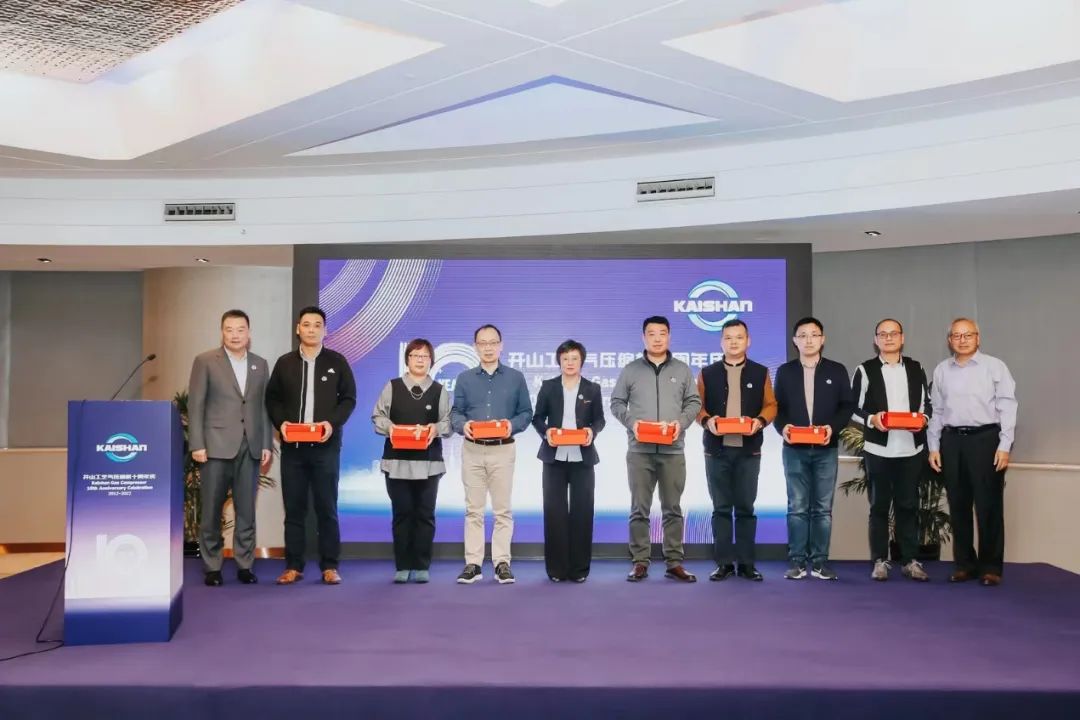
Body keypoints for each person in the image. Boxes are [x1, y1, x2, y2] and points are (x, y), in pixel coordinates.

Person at [265, 306, 357, 586]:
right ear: (298, 329)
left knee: (326, 508)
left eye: (318, 325)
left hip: (325, 447)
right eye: (306, 324)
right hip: (293, 448)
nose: (312, 329)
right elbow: (272, 399)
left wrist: (332, 423)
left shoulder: (337, 361)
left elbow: (349, 399)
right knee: (294, 509)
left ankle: (330, 566)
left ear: (325, 330)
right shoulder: (285, 363)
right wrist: (281, 423)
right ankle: (293, 566)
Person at [611, 316, 702, 583]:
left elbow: (694, 403)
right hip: (640, 450)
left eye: (662, 333)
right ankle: (640, 561)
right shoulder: (631, 370)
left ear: (669, 336)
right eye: (651, 334)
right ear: (644, 338)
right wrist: (633, 424)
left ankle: (674, 562)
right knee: (639, 508)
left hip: (673, 449)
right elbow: (617, 403)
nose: (657, 338)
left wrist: (680, 424)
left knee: (672, 508)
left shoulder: (682, 370)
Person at [927, 318, 1017, 587]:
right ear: (949, 340)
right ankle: (965, 564)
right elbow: (937, 411)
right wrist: (934, 446)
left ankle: (991, 567)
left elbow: (1008, 407)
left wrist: (1005, 445)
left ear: (978, 338)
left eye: (968, 335)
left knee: (989, 506)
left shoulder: (995, 367)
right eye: (956, 335)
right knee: (958, 505)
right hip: (952, 441)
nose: (962, 340)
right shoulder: (942, 370)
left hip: (985, 440)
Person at [186, 309, 273, 587]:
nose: (235, 335)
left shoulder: (260, 364)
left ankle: (245, 565)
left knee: (246, 511)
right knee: (212, 511)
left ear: (249, 333)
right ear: (222, 332)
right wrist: (197, 443)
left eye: (240, 329)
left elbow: (264, 408)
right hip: (214, 448)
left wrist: (266, 443)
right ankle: (212, 567)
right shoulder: (205, 361)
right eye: (229, 329)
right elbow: (196, 404)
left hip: (250, 447)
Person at [450, 324, 533, 585]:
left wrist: (511, 425)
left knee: (502, 510)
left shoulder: (515, 377)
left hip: (503, 448)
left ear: (501, 345)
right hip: (472, 449)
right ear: (475, 347)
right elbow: (455, 413)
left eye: (493, 342)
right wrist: (462, 426)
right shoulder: (464, 378)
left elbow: (526, 413)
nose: (488, 347)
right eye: (482, 343)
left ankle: (502, 563)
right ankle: (473, 564)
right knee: (473, 510)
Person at [774, 316, 854, 581]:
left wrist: (833, 427)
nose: (809, 340)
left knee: (822, 508)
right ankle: (797, 561)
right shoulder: (785, 371)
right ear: (795, 341)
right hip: (794, 449)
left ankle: (820, 562)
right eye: (803, 335)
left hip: (825, 448)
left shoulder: (837, 370)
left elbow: (847, 405)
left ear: (823, 339)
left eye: (814, 334)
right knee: (797, 506)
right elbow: (776, 408)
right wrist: (783, 427)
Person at [696, 319, 776, 582]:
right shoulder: (707, 373)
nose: (734, 342)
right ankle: (723, 564)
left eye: (739, 337)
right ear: (721, 342)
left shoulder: (760, 372)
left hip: (748, 451)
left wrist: (760, 421)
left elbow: (771, 405)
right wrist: (707, 420)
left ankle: (747, 564)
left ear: (748, 341)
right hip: (716, 451)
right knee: (720, 509)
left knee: (745, 508)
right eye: (728, 337)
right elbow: (696, 406)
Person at [851, 319, 931, 582]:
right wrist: (872, 419)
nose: (888, 338)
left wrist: (924, 419)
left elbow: (926, 404)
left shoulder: (916, 368)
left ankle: (910, 560)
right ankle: (879, 561)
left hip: (911, 450)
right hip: (878, 450)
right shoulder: (865, 370)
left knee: (909, 506)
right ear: (876, 340)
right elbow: (853, 407)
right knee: (879, 507)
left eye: (893, 333)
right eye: (883, 334)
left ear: (902, 338)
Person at [371, 338, 451, 584]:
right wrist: (392, 428)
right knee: (402, 513)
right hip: (397, 462)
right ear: (407, 359)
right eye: (415, 355)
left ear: (431, 361)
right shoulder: (392, 386)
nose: (420, 360)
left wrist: (435, 429)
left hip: (429, 463)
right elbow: (377, 417)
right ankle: (403, 565)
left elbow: (448, 423)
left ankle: (422, 565)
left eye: (425, 356)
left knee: (425, 514)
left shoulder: (439, 390)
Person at [531, 339, 606, 583]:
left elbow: (600, 420)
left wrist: (592, 431)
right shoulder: (549, 386)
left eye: (574, 358)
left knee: (582, 512)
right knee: (555, 513)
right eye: (565, 359)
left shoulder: (592, 388)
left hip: (582, 458)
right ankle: (556, 569)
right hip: (554, 458)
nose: (570, 363)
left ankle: (579, 569)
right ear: (559, 362)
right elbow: (537, 418)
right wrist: (547, 432)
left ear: (582, 361)